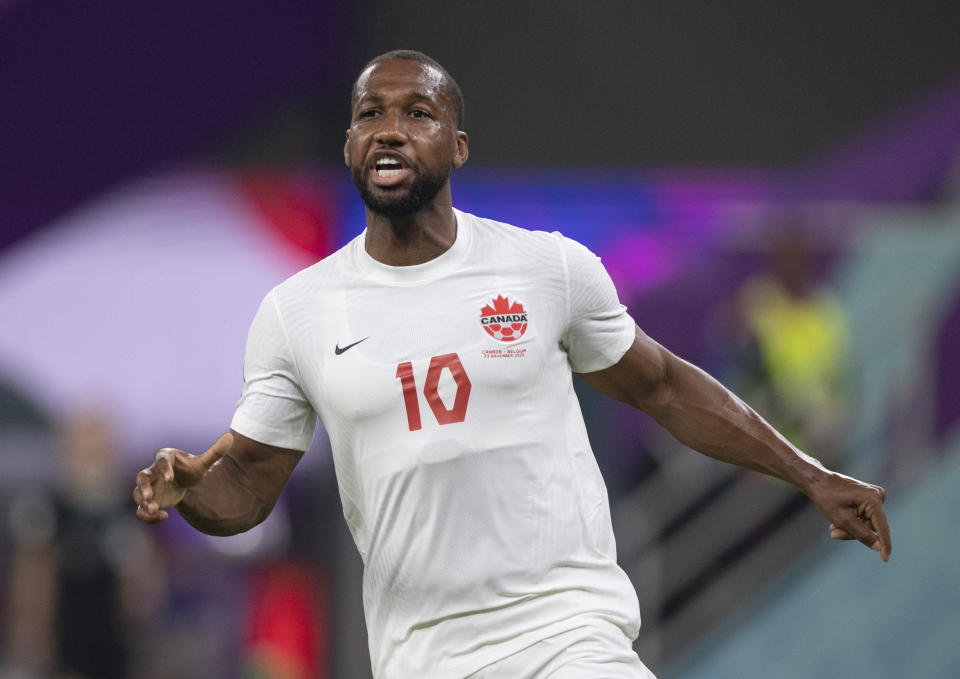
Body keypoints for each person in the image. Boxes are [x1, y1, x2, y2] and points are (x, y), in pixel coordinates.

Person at [133, 50, 891, 679]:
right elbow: (246, 488)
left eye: (417, 114)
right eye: (371, 114)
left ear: (458, 146)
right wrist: (195, 490)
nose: (390, 131)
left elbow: (662, 385)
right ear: (349, 143)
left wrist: (811, 474)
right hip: (424, 657)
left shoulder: (546, 269)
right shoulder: (297, 310)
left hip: (571, 636)